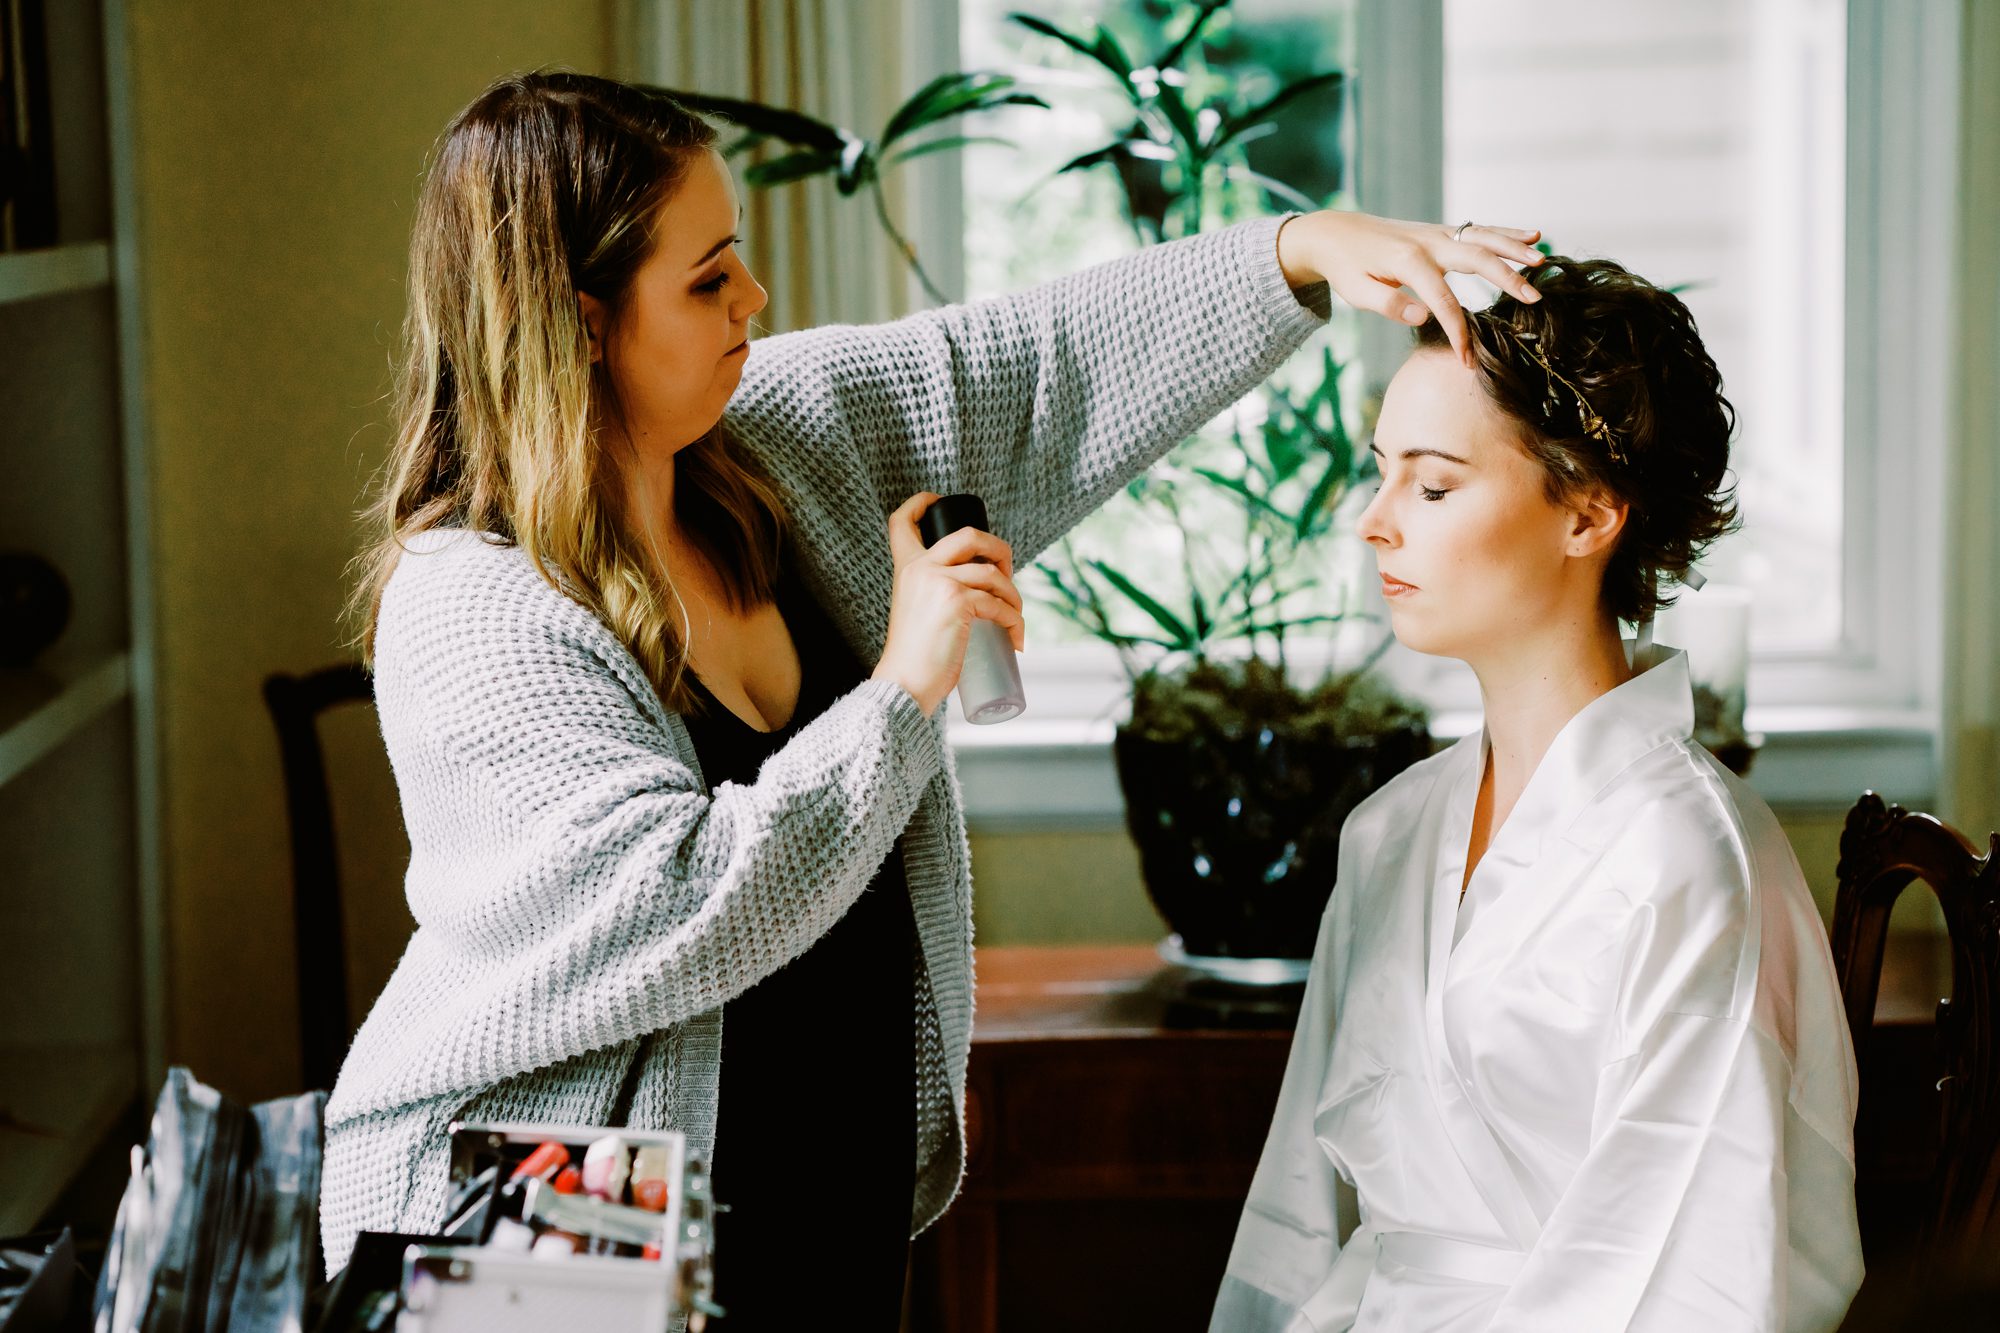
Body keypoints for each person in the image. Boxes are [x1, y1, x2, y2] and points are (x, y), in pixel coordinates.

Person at [318, 70, 1544, 1326]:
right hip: (539, 1218)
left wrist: (1301, 253)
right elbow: (683, 901)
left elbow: (1030, 363)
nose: (751, 297)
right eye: (705, 280)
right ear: (578, 323)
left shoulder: (772, 441)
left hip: (808, 1202)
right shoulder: (474, 600)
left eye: (733, 258)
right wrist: (906, 685)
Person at [1210, 254, 1864, 1332]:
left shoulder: (1685, 858)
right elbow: (1298, 1215)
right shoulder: (1391, 833)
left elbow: (1704, 1272)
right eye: (1377, 473)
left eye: (1430, 484)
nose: (1374, 520)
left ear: (1587, 513)